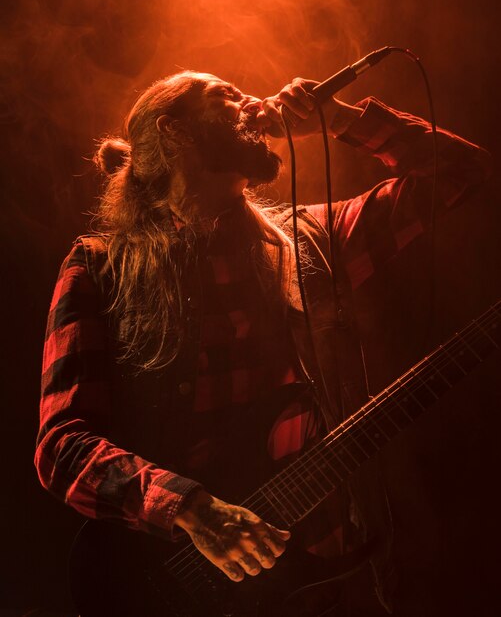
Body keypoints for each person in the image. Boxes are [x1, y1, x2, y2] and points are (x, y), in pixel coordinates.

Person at [35, 71, 491, 616]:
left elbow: (462, 172)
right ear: (174, 130)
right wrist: (193, 510)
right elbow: (62, 445)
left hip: (327, 578)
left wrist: (342, 120)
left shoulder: (311, 242)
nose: (251, 100)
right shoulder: (102, 267)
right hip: (168, 582)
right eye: (224, 96)